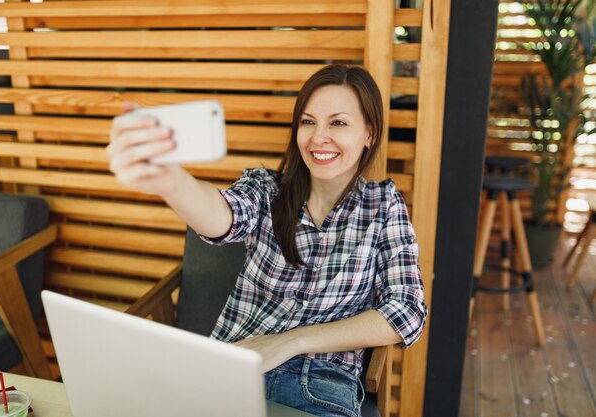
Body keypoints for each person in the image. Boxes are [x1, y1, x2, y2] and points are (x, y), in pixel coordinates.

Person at [107, 64, 426, 417]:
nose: (319, 137)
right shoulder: (265, 188)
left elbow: (407, 312)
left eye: (338, 123)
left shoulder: (383, 205)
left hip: (319, 385)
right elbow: (223, 217)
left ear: (369, 133)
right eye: (308, 121)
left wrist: (291, 342)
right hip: (229, 371)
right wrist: (172, 183)